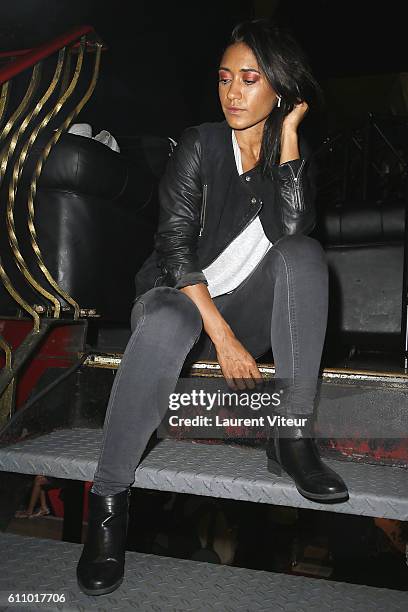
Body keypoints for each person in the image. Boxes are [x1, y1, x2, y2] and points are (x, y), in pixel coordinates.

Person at [77, 18, 349, 596]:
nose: (232, 92)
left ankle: (291, 436)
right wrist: (221, 336)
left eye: (250, 80)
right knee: (170, 318)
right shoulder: (200, 144)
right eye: (225, 78)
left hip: (247, 308)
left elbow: (294, 233)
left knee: (304, 253)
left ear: (278, 88)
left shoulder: (286, 156)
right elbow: (173, 249)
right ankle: (107, 505)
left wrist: (292, 134)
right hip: (179, 298)